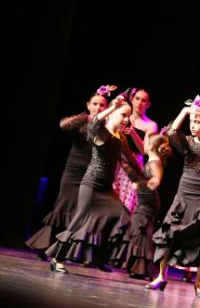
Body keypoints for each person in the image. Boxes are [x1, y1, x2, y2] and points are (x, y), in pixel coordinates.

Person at [46, 90, 142, 273]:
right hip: (91, 184)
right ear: (113, 114)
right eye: (123, 115)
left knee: (122, 217)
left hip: (106, 189)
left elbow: (130, 161)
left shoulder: (120, 137)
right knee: (78, 221)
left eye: (128, 117)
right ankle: (56, 256)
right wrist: (112, 106)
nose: (126, 120)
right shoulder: (101, 132)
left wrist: (147, 179)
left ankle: (99, 256)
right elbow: (95, 123)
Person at [148, 96, 200, 297]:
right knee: (170, 233)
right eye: (192, 121)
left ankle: (199, 282)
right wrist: (186, 112)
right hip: (183, 195)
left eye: (197, 121)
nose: (193, 125)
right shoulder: (187, 142)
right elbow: (171, 131)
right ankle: (161, 276)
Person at [26, 86, 109, 257]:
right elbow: (63, 125)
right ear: (88, 105)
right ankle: (44, 246)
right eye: (95, 104)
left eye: (102, 105)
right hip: (73, 172)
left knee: (80, 213)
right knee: (63, 208)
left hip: (91, 174)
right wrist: (87, 117)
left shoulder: (107, 126)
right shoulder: (83, 121)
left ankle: (65, 250)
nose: (98, 108)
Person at [110, 135, 171, 279]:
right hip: (145, 201)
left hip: (149, 203)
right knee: (142, 232)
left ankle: (144, 268)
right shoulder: (152, 160)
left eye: (147, 142)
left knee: (140, 230)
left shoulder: (155, 162)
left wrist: (139, 185)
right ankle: (141, 268)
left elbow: (156, 181)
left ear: (151, 146)